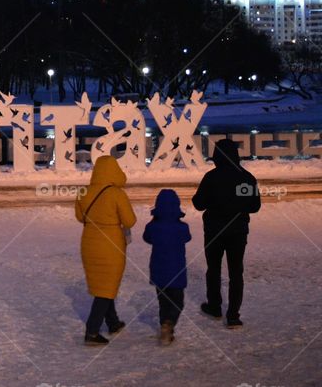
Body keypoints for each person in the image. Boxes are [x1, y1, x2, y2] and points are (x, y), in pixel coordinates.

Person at [192, 138, 260, 328]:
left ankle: (214, 307)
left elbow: (199, 204)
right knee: (236, 272)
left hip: (214, 230)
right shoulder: (246, 177)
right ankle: (233, 315)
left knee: (213, 269)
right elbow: (255, 206)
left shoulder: (211, 177)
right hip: (238, 231)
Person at [75, 155, 137, 345]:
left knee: (103, 285)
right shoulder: (116, 194)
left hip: (89, 243)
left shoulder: (83, 191)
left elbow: (80, 217)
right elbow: (129, 221)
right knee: (105, 288)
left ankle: (113, 322)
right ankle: (92, 331)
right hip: (111, 245)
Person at [143, 189, 191, 345]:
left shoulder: (153, 227)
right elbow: (187, 238)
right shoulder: (182, 227)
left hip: (159, 272)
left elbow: (147, 238)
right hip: (177, 271)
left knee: (163, 302)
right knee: (178, 302)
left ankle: (165, 325)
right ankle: (169, 324)